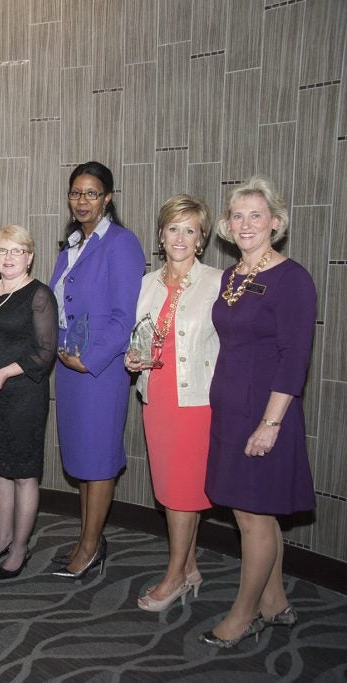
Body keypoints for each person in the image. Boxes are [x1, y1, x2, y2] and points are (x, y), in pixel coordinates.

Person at [198, 177, 316, 648]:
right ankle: (275, 602)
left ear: (275, 223)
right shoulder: (232, 277)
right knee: (255, 514)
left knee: (253, 517)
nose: (246, 224)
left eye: (256, 215)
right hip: (230, 408)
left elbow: (295, 359)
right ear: (228, 225)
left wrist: (270, 424)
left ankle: (243, 616)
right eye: (238, 216)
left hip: (267, 413)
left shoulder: (292, 279)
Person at [124, 195, 222, 611]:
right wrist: (132, 359)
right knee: (171, 490)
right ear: (161, 235)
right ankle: (191, 564)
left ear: (201, 239)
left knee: (183, 493)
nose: (180, 237)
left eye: (190, 230)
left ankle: (175, 575)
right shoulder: (147, 283)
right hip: (156, 396)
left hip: (196, 401)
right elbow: (142, 337)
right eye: (173, 228)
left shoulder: (218, 282)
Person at [49, 161, 144, 579]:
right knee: (82, 459)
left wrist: (90, 359)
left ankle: (90, 546)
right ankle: (87, 536)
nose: (82, 200)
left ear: (108, 198)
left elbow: (125, 316)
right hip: (69, 367)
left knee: (99, 459)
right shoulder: (71, 245)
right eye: (75, 193)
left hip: (99, 371)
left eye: (91, 193)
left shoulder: (121, 243)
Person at [0, 225, 57, 580]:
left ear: (30, 256)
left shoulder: (39, 295)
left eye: (17, 251)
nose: (9, 257)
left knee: (23, 474)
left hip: (23, 395)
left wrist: (6, 372)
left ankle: (20, 547)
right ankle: (1, 539)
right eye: (2, 250)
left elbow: (45, 353)